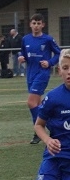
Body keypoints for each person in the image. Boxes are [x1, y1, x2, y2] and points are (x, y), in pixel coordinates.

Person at [22, 49, 70, 180]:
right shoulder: (53, 98)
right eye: (66, 68)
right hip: (54, 157)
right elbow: (39, 125)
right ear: (59, 71)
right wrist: (48, 140)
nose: (69, 72)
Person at [18, 14, 62, 144]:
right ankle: (45, 127)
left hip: (42, 73)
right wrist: (21, 57)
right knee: (38, 104)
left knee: (31, 102)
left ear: (43, 25)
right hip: (30, 73)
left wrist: (49, 62)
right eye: (34, 23)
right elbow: (22, 52)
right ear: (30, 25)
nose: (36, 26)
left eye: (38, 23)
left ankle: (42, 130)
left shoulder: (47, 39)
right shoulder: (25, 39)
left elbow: (58, 53)